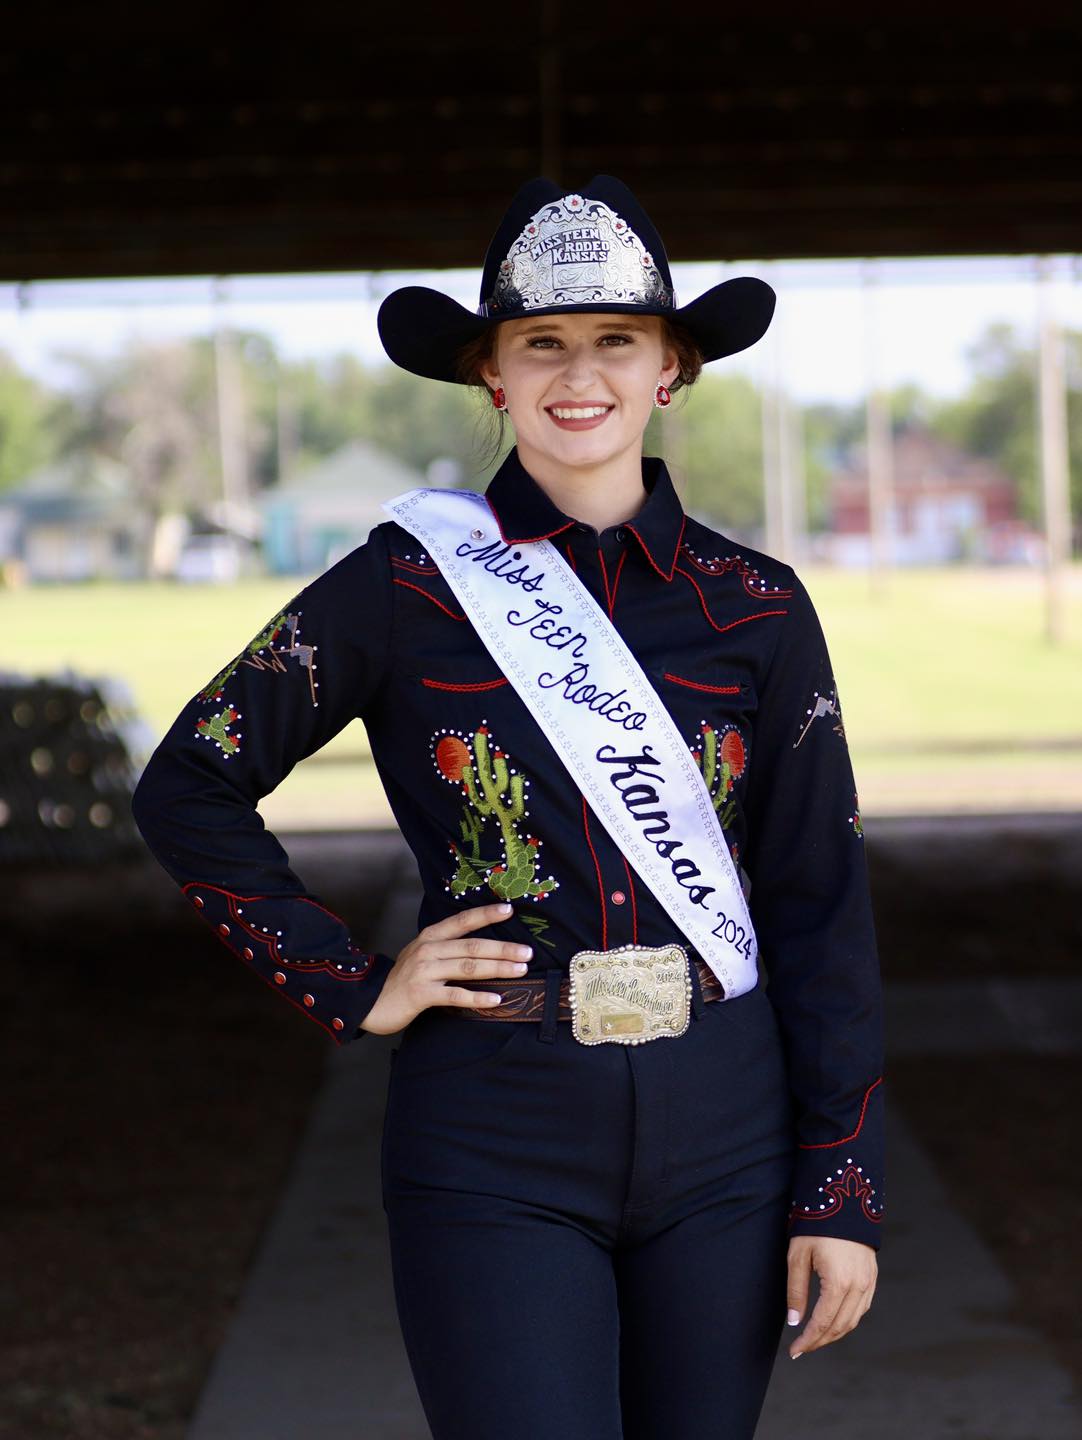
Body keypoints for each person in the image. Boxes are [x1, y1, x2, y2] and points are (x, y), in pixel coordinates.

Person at [131, 174, 884, 1440]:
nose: (574, 373)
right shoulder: (402, 586)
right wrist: (351, 982)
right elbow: (188, 780)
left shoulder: (756, 606)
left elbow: (818, 901)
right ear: (490, 374)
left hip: (727, 1134)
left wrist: (838, 1186)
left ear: (670, 369)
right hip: (491, 1131)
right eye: (539, 342)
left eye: (615, 340)